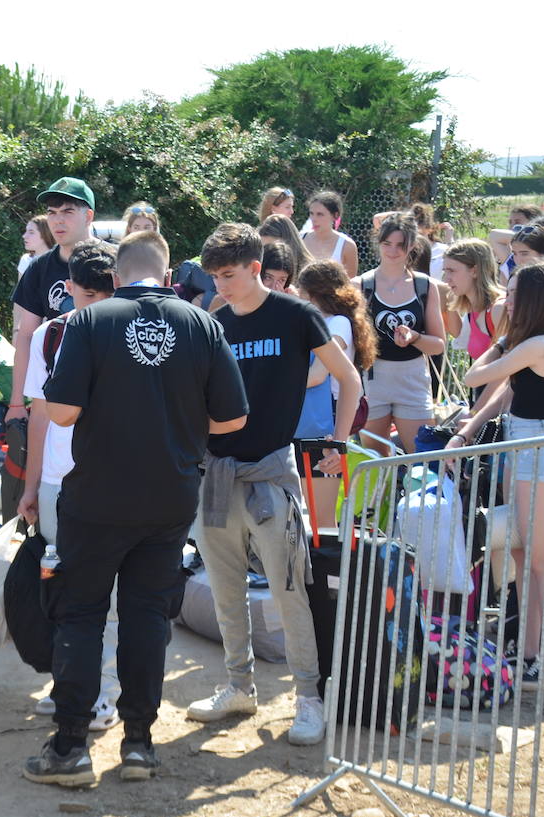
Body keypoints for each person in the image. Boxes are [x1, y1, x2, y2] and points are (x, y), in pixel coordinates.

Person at [20, 230, 250, 785]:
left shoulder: (89, 322)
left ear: (117, 278)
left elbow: (65, 413)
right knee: (148, 616)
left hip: (97, 493)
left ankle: (71, 745)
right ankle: (140, 744)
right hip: (168, 496)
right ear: (169, 275)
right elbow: (232, 420)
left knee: (81, 612)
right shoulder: (203, 324)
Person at [189, 222, 361, 747]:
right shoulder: (215, 321)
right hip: (217, 476)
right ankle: (238, 686)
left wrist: (337, 443)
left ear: (255, 268)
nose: (221, 285)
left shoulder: (298, 315)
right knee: (224, 591)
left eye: (228, 274)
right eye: (214, 276)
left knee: (291, 591)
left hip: (272, 473)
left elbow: (348, 379)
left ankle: (309, 697)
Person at [449, 262, 544, 691]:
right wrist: (467, 431)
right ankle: (528, 652)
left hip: (537, 451)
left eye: (513, 292)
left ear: (535, 299)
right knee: (524, 556)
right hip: (521, 445)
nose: (506, 299)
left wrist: (503, 335)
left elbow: (475, 375)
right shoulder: (538, 342)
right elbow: (507, 392)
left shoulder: (541, 343)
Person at [17, 239, 127, 734]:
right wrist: (33, 483)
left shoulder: (132, 331)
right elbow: (40, 413)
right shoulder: (48, 336)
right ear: (67, 292)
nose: (92, 310)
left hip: (113, 483)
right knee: (63, 589)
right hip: (59, 482)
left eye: (101, 299)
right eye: (84, 299)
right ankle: (70, 683)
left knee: (109, 594)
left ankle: (105, 692)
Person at [296, 259, 379, 525]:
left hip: (327, 421)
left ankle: (327, 567)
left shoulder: (338, 323)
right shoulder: (324, 322)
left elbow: (318, 374)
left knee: (322, 519)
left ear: (313, 293)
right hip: (314, 419)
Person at [8, 178, 96, 428]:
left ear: (88, 215)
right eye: (52, 212)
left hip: (106, 384)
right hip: (55, 387)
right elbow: (26, 335)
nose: (58, 220)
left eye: (68, 211)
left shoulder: (115, 261)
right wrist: (16, 402)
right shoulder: (38, 268)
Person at [354, 215, 445, 454]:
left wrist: (415, 337)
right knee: (375, 465)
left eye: (400, 245)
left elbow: (438, 345)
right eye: (387, 243)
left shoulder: (424, 286)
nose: (393, 251)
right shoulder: (360, 285)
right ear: (378, 242)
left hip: (413, 378)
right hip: (373, 380)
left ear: (412, 246)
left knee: (423, 460)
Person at [440, 238, 505, 363]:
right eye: (445, 271)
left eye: (451, 271)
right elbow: (458, 334)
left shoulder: (499, 308)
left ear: (474, 271)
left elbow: (510, 366)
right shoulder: (473, 306)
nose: (446, 279)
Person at [302, 191, 358, 277]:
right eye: (311, 213)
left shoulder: (347, 245)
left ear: (335, 215)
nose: (314, 219)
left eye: (320, 214)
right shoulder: (300, 239)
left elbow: (350, 285)